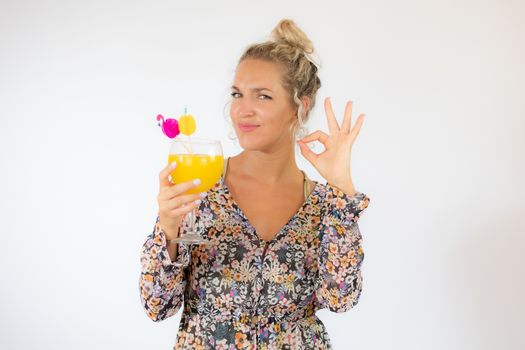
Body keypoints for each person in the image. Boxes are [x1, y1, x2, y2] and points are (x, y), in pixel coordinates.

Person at [139, 18, 370, 349]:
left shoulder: (325, 204)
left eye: (262, 96)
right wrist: (169, 229)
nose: (242, 110)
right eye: (237, 94)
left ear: (298, 107)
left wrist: (342, 189)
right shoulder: (200, 189)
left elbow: (340, 298)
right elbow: (157, 305)